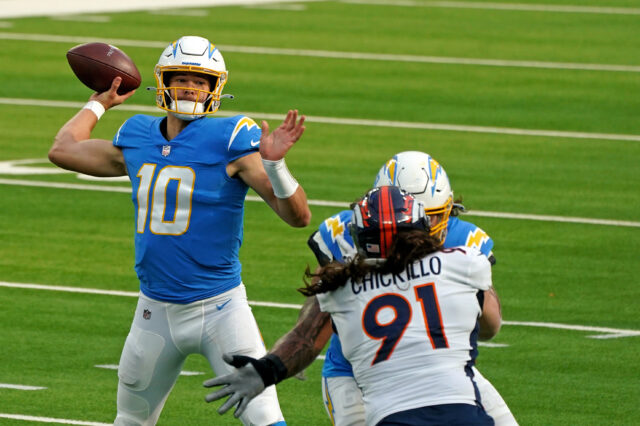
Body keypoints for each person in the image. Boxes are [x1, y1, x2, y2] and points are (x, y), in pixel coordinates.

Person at [49, 35, 311, 425]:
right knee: (130, 421)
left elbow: (297, 217)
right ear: (164, 84)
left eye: (201, 81)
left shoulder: (231, 138)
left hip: (220, 309)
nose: (190, 87)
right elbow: (63, 149)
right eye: (181, 78)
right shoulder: (137, 135)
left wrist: (274, 165)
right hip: (153, 310)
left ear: (215, 88)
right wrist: (99, 102)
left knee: (266, 420)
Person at [204, 152, 517, 425]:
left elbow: (307, 335)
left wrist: (269, 369)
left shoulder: (344, 283)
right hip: (363, 374)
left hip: (433, 382)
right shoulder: (463, 260)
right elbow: (489, 325)